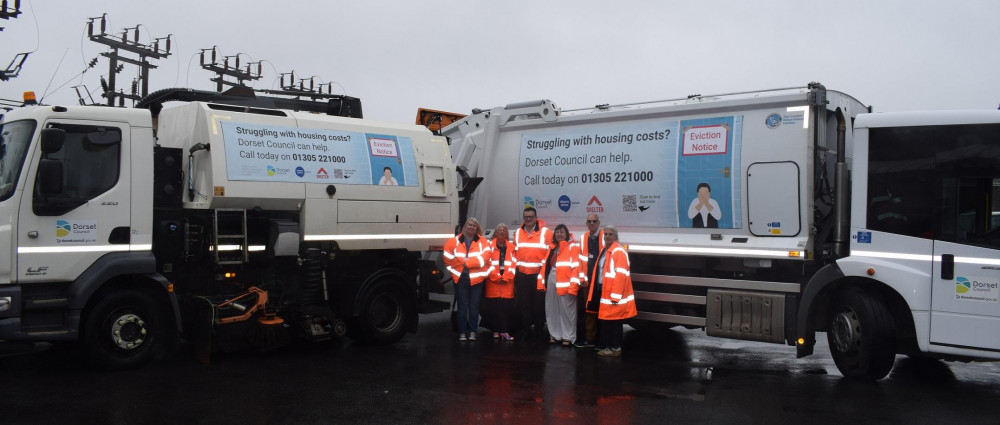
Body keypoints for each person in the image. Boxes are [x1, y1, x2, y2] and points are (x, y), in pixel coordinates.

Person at [443, 218, 490, 341]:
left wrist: (467, 263)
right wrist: (454, 272)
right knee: (462, 306)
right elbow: (447, 258)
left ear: (477, 228)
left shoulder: (483, 241)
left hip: (477, 280)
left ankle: (473, 331)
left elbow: (485, 258)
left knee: (474, 306)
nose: (471, 227)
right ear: (465, 227)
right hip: (461, 279)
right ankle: (462, 332)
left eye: (474, 225)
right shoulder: (454, 241)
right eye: (469, 224)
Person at [594, 225, 637, 357]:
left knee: (614, 323)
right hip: (607, 293)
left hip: (613, 296)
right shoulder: (607, 250)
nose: (607, 236)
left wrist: (615, 296)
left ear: (615, 236)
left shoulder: (618, 252)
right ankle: (611, 347)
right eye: (605, 234)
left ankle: (614, 348)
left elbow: (620, 275)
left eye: (610, 234)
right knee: (610, 322)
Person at [512, 206, 551, 339]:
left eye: (531, 217)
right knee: (524, 304)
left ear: (536, 218)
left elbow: (551, 252)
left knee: (538, 304)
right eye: (526, 217)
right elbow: (514, 253)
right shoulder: (517, 233)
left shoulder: (546, 232)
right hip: (522, 275)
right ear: (523, 218)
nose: (528, 219)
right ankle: (527, 329)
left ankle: (539, 330)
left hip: (538, 275)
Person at [540, 224, 582, 346]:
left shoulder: (573, 247)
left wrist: (573, 286)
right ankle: (555, 335)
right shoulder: (552, 248)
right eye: (557, 232)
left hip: (566, 283)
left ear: (567, 233)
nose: (559, 234)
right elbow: (545, 266)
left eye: (562, 232)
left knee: (568, 311)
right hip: (552, 279)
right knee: (552, 309)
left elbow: (576, 267)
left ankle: (568, 337)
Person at [575, 213, 604, 348]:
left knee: (603, 310)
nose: (592, 223)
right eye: (589, 221)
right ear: (586, 224)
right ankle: (591, 339)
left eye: (594, 221)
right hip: (588, 282)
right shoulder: (583, 238)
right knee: (590, 311)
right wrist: (582, 278)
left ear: (598, 223)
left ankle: (602, 339)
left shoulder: (605, 236)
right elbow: (581, 260)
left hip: (602, 282)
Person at [485, 223, 516, 341]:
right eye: (499, 230)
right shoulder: (489, 247)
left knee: (506, 309)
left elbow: (514, 264)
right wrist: (496, 277)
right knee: (493, 310)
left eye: (504, 230)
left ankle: (504, 331)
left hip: (507, 283)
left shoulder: (512, 247)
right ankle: (495, 331)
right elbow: (487, 263)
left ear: (507, 233)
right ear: (495, 233)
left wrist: (506, 277)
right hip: (493, 282)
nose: (502, 232)